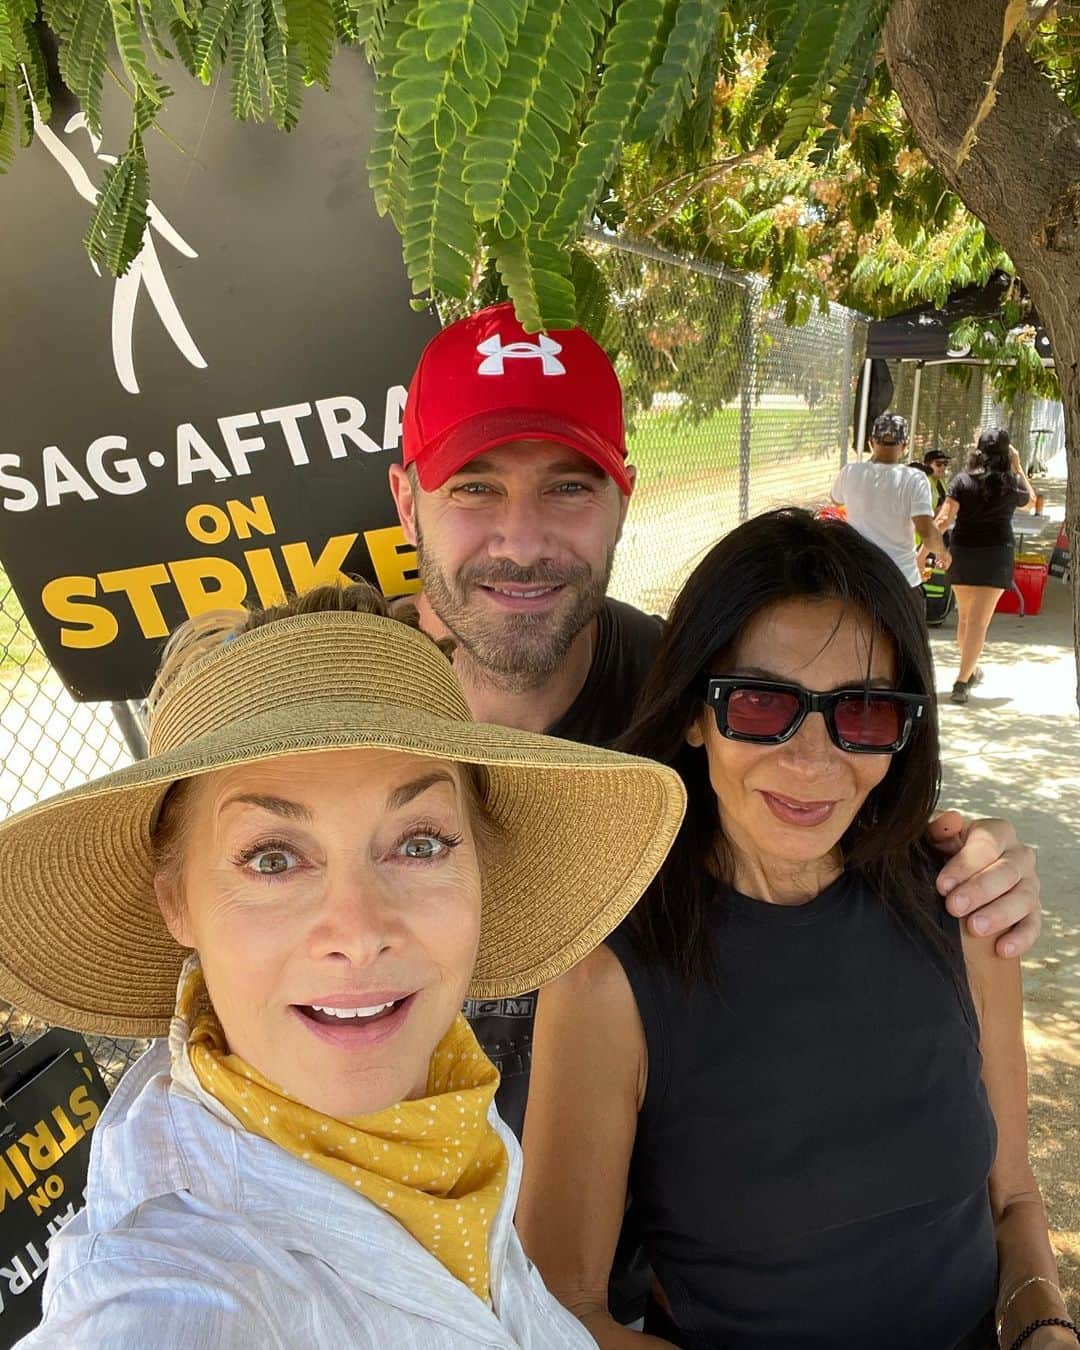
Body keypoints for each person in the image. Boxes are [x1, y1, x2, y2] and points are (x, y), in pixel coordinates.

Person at [390, 306, 1042, 1142]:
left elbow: (848, 824)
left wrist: (981, 870)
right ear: (407, 503)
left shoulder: (713, 703)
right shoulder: (321, 714)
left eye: (568, 486)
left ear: (622, 499)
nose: (522, 541)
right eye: (475, 485)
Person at [0, 583, 687, 1348]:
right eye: (272, 858)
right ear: (177, 903)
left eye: (420, 844)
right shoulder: (169, 1294)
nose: (359, 934)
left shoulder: (444, 1099)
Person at [518, 510, 1076, 1350]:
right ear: (693, 714)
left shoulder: (963, 909)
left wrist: (1045, 1326)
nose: (813, 760)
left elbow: (1014, 1202)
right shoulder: (607, 976)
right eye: (760, 702)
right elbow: (565, 1311)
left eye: (864, 713)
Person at [936, 427, 1037, 705]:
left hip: (963, 553)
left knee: (966, 620)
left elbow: (943, 520)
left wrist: (930, 550)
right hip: (996, 555)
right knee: (979, 623)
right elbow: (1030, 502)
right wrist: (1018, 468)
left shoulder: (961, 480)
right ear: (1006, 453)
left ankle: (969, 671)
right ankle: (961, 681)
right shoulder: (1010, 482)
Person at [831, 411, 951, 591]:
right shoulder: (914, 478)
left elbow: (835, 499)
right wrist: (942, 553)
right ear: (904, 445)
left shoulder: (850, 472)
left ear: (871, 442)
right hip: (900, 578)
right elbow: (925, 530)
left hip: (858, 575)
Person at [921, 448, 952, 513]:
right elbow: (919, 513)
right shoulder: (923, 483)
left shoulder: (941, 481)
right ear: (927, 466)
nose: (943, 467)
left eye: (945, 463)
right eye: (939, 464)